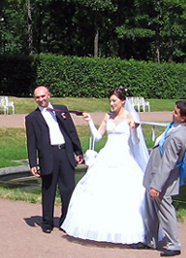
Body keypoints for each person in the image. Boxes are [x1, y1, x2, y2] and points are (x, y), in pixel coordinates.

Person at [61, 86, 150, 244]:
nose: (111, 104)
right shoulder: (107, 116)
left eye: (114, 101)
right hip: (107, 155)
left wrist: (134, 129)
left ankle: (125, 231)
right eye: (110, 101)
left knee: (122, 194)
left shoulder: (130, 117)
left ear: (122, 101)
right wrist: (89, 122)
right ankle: (97, 228)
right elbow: (97, 137)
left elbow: (136, 142)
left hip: (123, 157)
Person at [137, 100, 186, 257]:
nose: (172, 113)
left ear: (183, 118)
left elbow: (167, 164)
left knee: (165, 210)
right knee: (151, 210)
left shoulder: (177, 137)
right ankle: (150, 239)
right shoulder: (176, 127)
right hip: (155, 175)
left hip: (162, 179)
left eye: (175, 112)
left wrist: (156, 186)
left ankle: (173, 244)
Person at [26, 85, 84, 233]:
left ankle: (66, 221)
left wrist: (78, 151)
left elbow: (71, 131)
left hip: (64, 152)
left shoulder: (61, 110)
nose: (41, 100)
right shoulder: (32, 118)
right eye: (37, 97)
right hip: (48, 156)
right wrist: (33, 163)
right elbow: (31, 142)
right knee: (48, 190)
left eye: (43, 96)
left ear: (49, 95)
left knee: (68, 189)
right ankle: (47, 223)